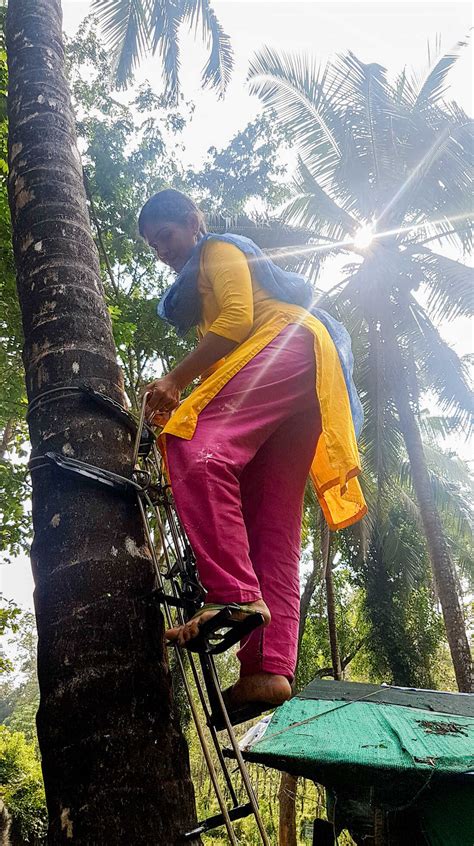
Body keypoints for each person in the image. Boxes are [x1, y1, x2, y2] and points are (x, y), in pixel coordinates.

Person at [139, 188, 366, 714]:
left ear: (193, 222)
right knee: (271, 523)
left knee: (192, 441)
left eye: (166, 237)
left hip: (285, 344)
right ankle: (267, 670)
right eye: (152, 247)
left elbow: (239, 321)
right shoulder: (197, 293)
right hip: (304, 376)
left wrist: (175, 380)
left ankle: (235, 594)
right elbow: (233, 336)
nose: (162, 251)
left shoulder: (219, 251)